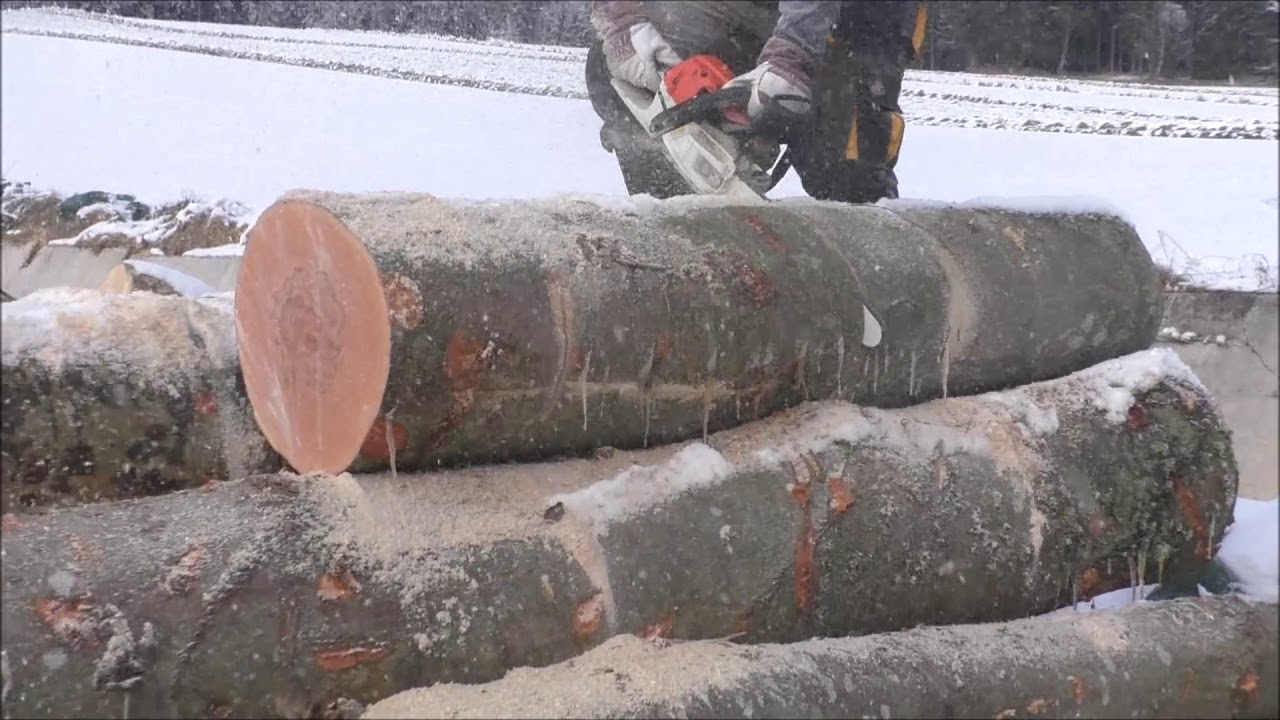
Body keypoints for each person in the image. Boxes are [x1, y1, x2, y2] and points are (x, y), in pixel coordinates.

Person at [585, 0, 927, 204]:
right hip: (738, 10)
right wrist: (621, 20)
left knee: (849, 170)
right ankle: (677, 242)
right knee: (613, 76)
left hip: (860, 18)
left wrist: (791, 56)